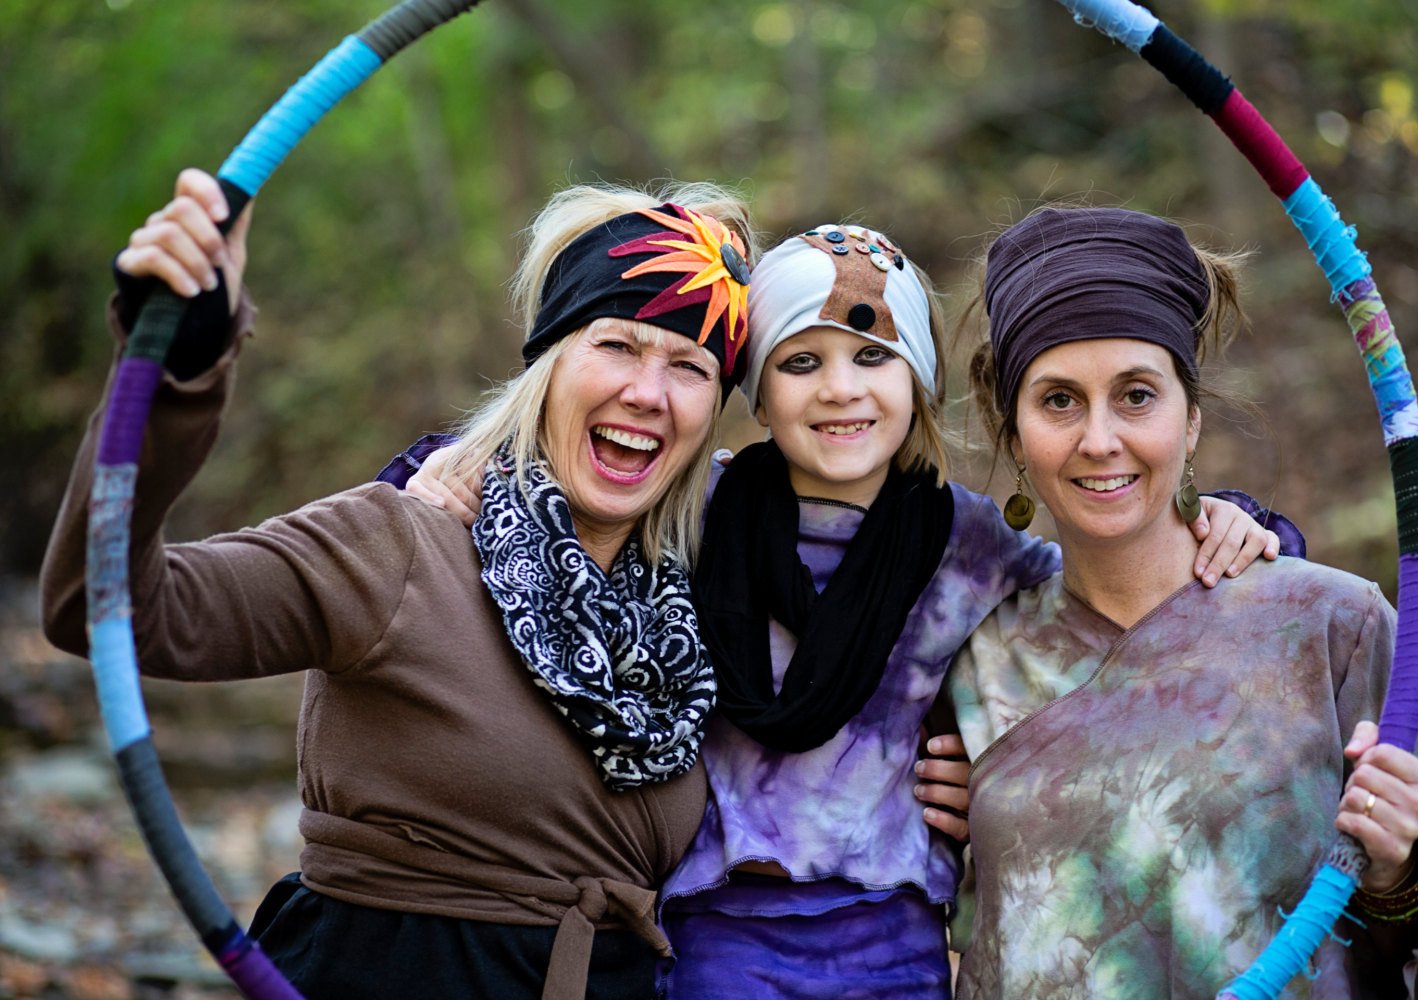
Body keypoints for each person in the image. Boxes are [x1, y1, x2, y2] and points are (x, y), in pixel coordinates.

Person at [400, 221, 1287, 998]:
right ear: (757, 389)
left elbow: (1116, 582)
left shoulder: (968, 543)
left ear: (918, 382)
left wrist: (1247, 521)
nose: (840, 389)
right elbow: (559, 485)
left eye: (873, 357)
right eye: (800, 362)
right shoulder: (693, 511)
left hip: (891, 922)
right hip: (716, 916)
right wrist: (438, 468)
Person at [40, 168, 761, 999]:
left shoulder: (703, 597)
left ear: (714, 409)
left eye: (689, 367)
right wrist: (176, 369)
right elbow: (108, 609)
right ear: (550, 367)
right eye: (616, 345)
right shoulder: (397, 544)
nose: (647, 393)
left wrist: (941, 760)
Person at [948, 205, 1418, 998]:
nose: (1099, 439)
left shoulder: (1337, 627)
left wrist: (1399, 869)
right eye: (1058, 400)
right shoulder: (966, 664)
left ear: (1190, 420)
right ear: (1013, 430)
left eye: (1136, 395)